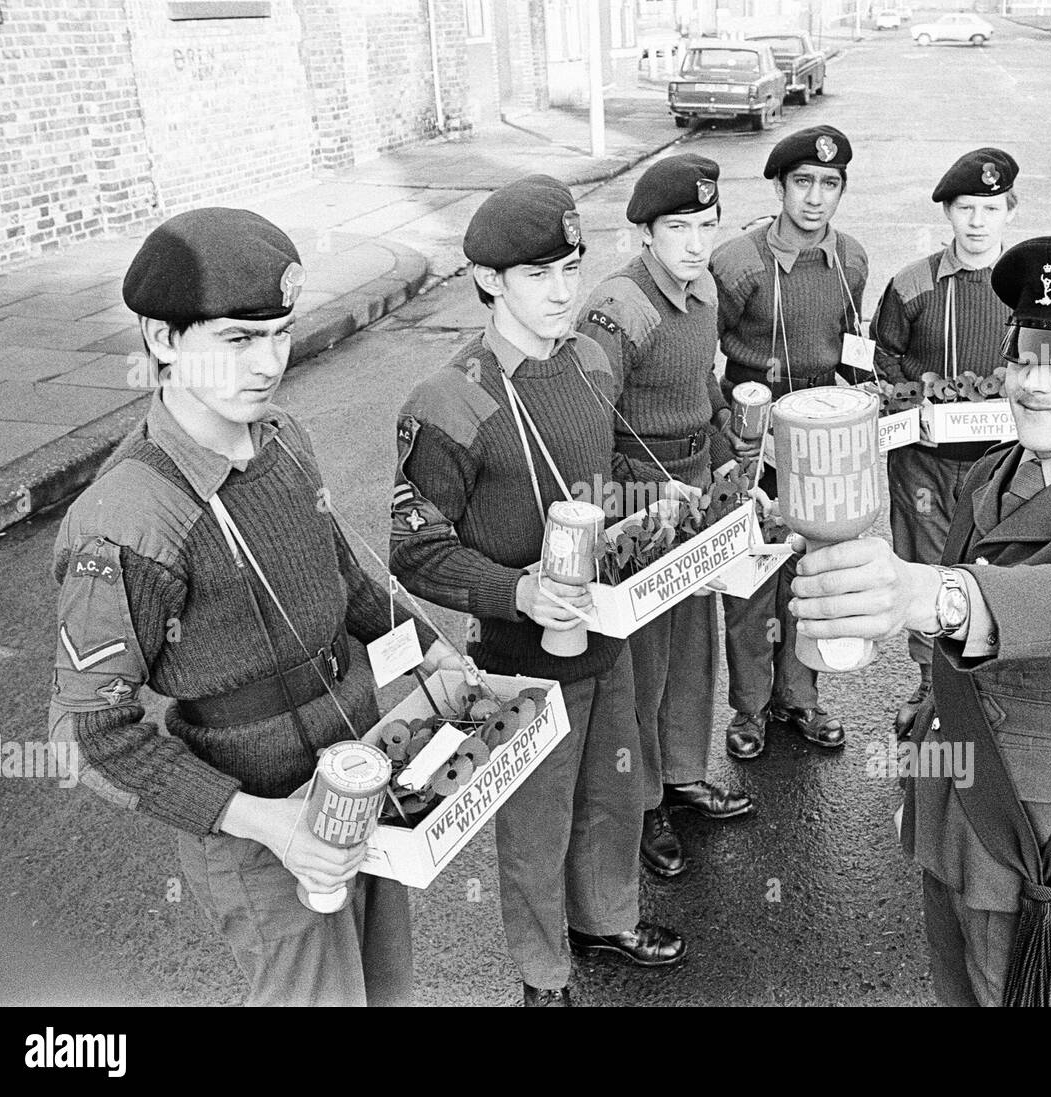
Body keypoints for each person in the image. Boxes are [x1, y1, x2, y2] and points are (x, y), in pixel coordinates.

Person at [48, 207, 461, 1006]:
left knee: (387, 993)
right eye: (238, 339)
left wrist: (432, 649)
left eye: (280, 332)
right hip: (255, 833)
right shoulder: (128, 516)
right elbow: (97, 731)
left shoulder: (282, 438)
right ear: (164, 339)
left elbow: (345, 578)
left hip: (358, 772)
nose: (270, 362)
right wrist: (270, 823)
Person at [789, 237, 1051, 1006]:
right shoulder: (994, 469)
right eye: (1024, 354)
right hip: (955, 808)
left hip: (1035, 844)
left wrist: (933, 597)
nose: (1033, 383)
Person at [389, 175, 684, 1006]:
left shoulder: (589, 358)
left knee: (613, 791)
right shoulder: (448, 400)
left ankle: (607, 917)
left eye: (572, 268)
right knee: (536, 825)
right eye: (537, 275)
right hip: (525, 657)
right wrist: (516, 593)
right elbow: (415, 550)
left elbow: (608, 461)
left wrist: (652, 495)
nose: (563, 292)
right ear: (489, 281)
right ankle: (542, 972)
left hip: (608, 631)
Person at [575, 153, 754, 880]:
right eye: (678, 227)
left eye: (706, 226)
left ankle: (683, 774)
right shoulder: (617, 308)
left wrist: (728, 453)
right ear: (646, 231)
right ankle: (644, 803)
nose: (694, 242)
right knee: (641, 668)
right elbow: (589, 422)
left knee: (691, 647)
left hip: (695, 489)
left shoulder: (705, 291)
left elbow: (704, 388)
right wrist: (643, 500)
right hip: (639, 505)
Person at [710, 125, 867, 761]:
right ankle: (749, 708)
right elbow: (703, 352)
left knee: (814, 570)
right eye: (802, 182)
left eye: (829, 184)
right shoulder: (738, 263)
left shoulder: (851, 259)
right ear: (779, 187)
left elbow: (852, 351)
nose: (814, 198)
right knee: (752, 575)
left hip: (821, 438)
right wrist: (734, 435)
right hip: (754, 438)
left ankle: (798, 695)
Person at [871, 147, 1020, 740]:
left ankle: (985, 688)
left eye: (990, 208)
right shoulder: (911, 285)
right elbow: (879, 364)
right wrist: (912, 399)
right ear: (948, 213)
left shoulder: (1031, 289)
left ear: (1011, 210)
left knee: (995, 570)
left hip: (1001, 464)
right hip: (923, 466)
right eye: (965, 208)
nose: (977, 222)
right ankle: (931, 686)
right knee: (926, 571)